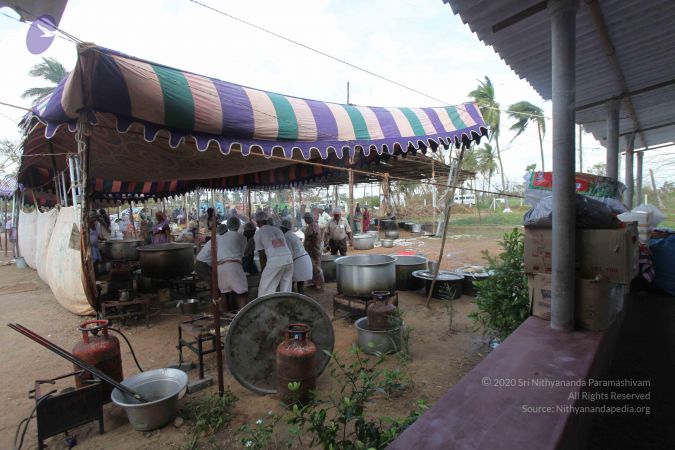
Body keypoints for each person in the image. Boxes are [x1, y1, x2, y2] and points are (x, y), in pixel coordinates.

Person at [254, 211, 293, 296]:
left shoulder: (259, 233)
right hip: (288, 259)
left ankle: (266, 304)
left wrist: (263, 271)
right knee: (286, 289)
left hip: (275, 260)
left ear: (257, 222)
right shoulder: (277, 230)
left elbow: (262, 255)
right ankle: (286, 304)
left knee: (265, 289)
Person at [217, 217, 248, 310]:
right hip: (233, 265)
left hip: (220, 267)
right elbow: (243, 254)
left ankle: (225, 317)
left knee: (224, 294)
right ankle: (241, 316)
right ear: (239, 225)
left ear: (228, 225)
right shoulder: (241, 237)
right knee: (242, 293)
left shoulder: (220, 237)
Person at [280, 218, 312, 294]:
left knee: (290, 283)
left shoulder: (287, 236)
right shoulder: (291, 234)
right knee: (299, 285)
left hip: (299, 262)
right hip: (304, 260)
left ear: (283, 228)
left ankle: (294, 299)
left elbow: (289, 253)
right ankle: (300, 299)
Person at [194, 223, 228, 288]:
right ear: (226, 231)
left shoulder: (216, 238)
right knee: (216, 285)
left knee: (217, 284)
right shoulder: (220, 239)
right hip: (202, 266)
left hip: (201, 264)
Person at [302, 211, 324, 290]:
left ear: (309, 219)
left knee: (317, 267)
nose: (305, 220)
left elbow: (314, 238)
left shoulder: (313, 226)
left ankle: (320, 284)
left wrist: (312, 248)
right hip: (311, 250)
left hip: (314, 250)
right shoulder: (312, 225)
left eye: (305, 219)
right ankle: (313, 282)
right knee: (311, 266)